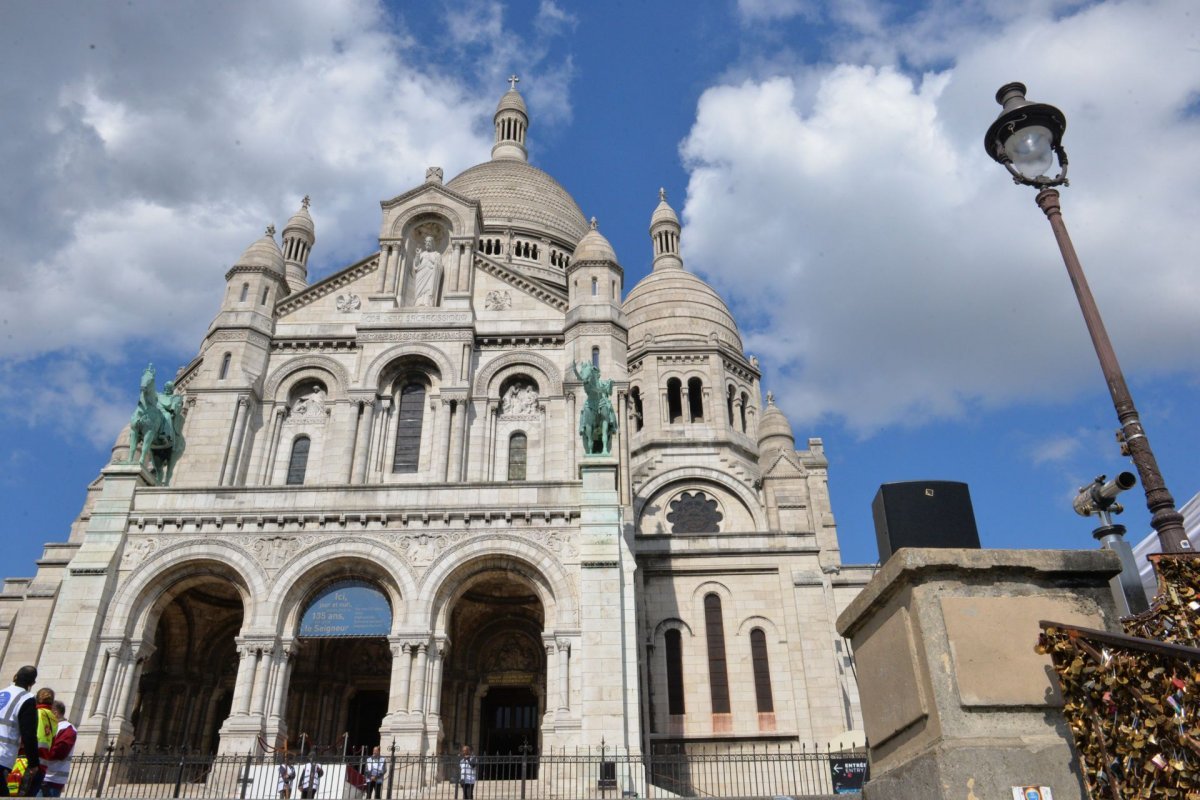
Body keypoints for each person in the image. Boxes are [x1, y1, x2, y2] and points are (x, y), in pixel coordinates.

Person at [0, 666, 40, 798]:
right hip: (3, 755)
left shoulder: (2, 692)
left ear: (15, 676)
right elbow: (28, 733)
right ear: (32, 683)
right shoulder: (27, 699)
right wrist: (33, 763)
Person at [39, 701, 75, 798]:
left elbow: (59, 752)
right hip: (42, 776)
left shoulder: (67, 728)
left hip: (52, 780)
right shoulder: (51, 726)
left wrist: (39, 753)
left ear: (55, 713)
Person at [411, 235, 443, 307]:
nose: (428, 243)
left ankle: (428, 302)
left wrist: (431, 260)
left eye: (429, 241)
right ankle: (418, 302)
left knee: (429, 288)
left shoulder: (437, 254)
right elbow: (416, 265)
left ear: (432, 243)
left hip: (431, 275)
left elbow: (440, 267)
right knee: (420, 290)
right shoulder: (422, 254)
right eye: (426, 242)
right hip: (421, 274)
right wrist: (417, 255)